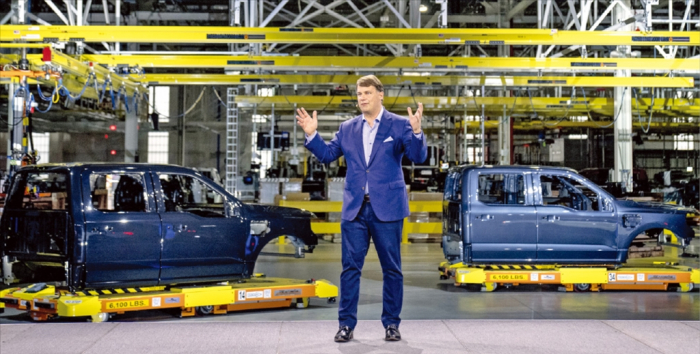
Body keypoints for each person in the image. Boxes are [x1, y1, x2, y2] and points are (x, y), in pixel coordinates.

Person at [296, 75, 427, 343]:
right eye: (359, 93)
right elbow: (328, 155)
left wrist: (416, 133)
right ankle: (346, 324)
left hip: (387, 210)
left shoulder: (400, 124)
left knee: (392, 269)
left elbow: (418, 156)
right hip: (355, 210)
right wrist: (312, 134)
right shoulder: (347, 128)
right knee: (350, 269)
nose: (362, 97)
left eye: (367, 92)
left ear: (381, 94)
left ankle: (392, 323)